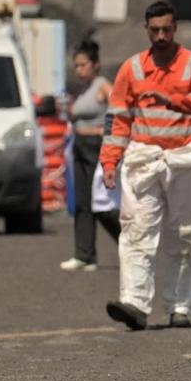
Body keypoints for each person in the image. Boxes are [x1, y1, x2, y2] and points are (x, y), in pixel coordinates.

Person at [101, 1, 191, 330]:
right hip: (144, 159)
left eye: (167, 29)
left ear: (176, 27)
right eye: (155, 30)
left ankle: (179, 305)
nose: (161, 35)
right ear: (146, 30)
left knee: (184, 234)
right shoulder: (132, 69)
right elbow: (117, 119)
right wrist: (110, 161)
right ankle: (134, 304)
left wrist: (176, 100)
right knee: (136, 230)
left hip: (184, 159)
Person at [61, 38, 121, 271]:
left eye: (83, 65)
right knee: (82, 202)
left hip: (97, 145)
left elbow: (121, 110)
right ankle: (84, 254)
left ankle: (128, 245)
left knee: (102, 204)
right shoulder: (82, 90)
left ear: (96, 64)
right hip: (79, 144)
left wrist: (103, 132)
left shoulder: (103, 86)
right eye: (76, 65)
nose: (78, 70)